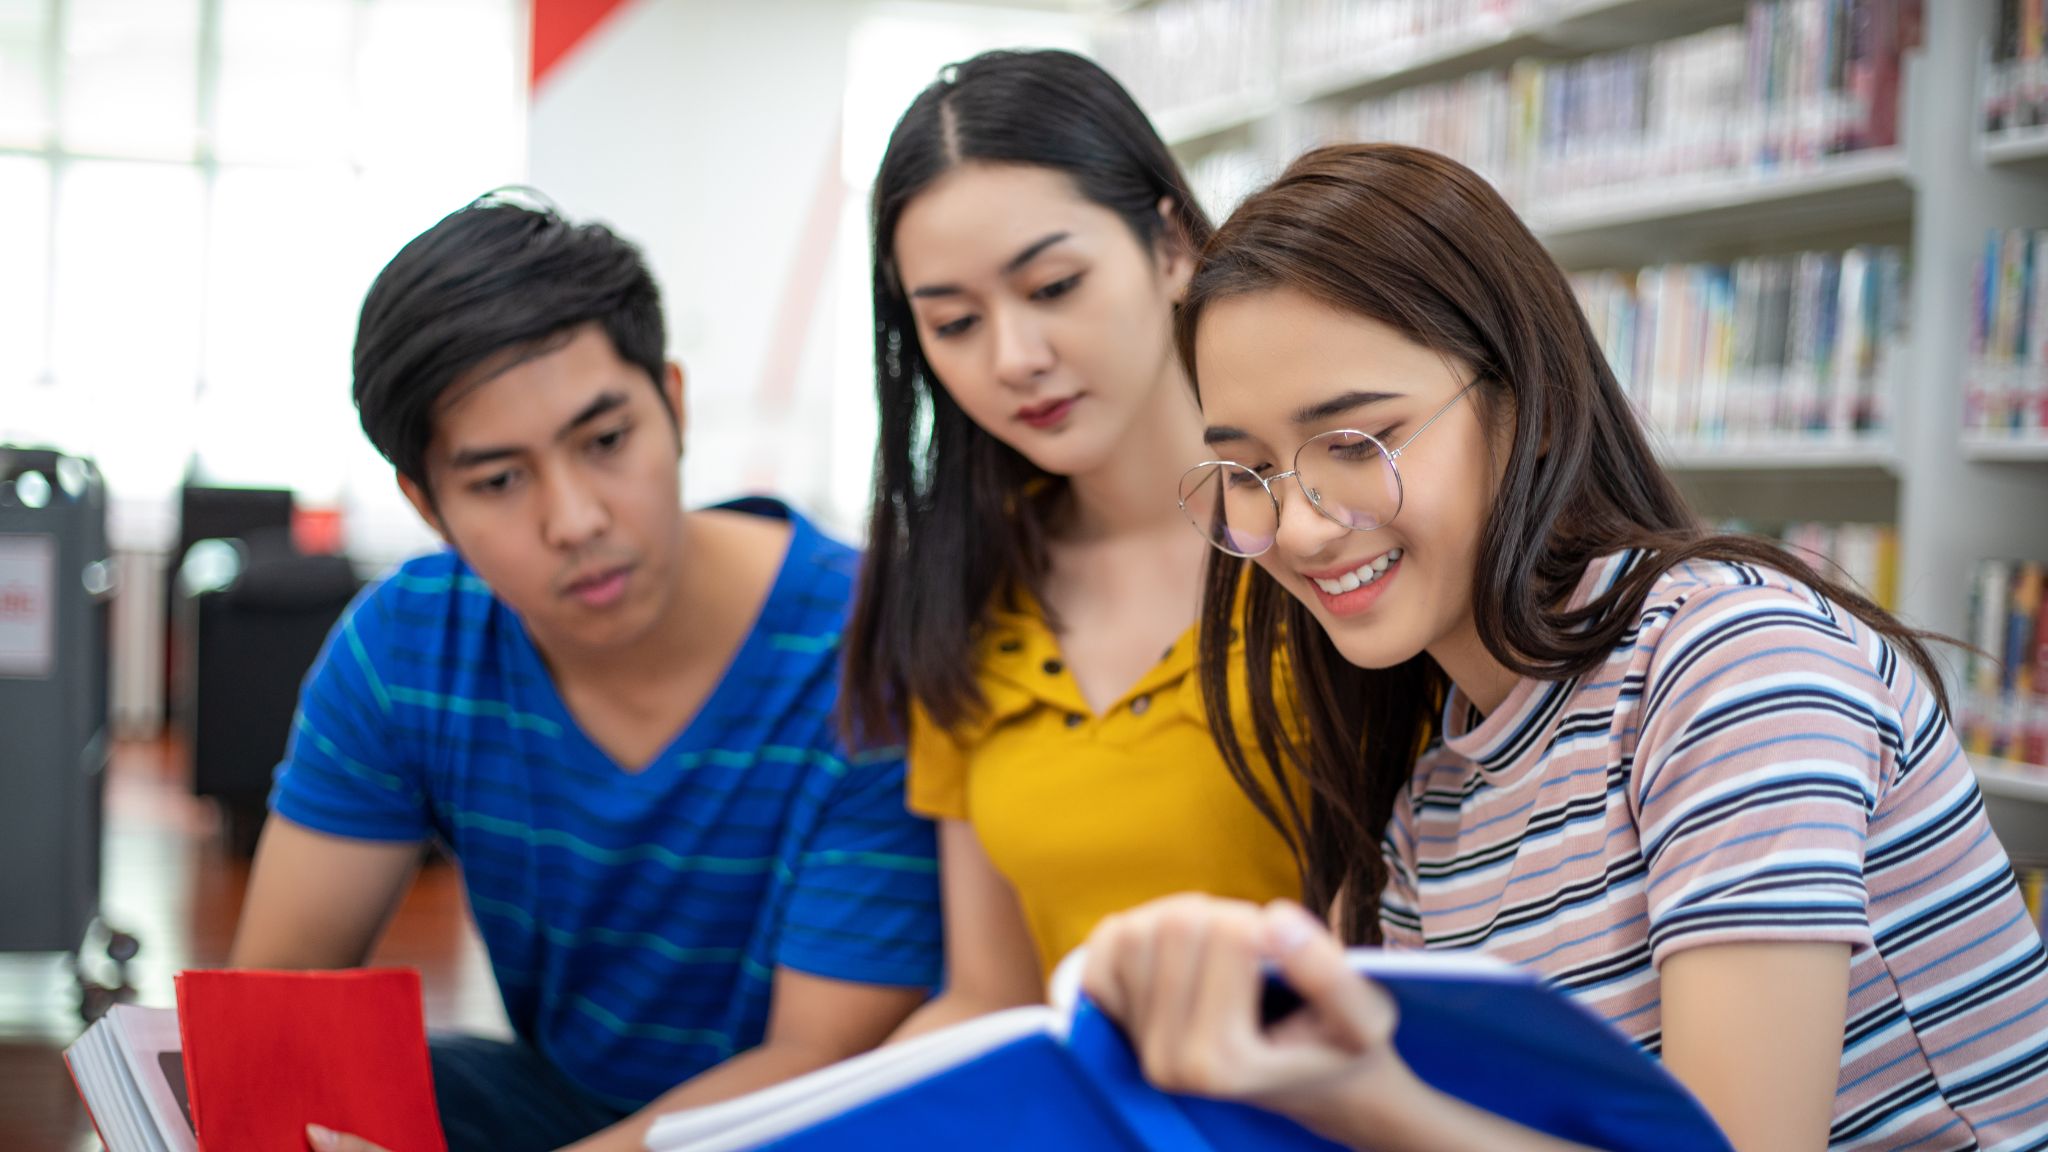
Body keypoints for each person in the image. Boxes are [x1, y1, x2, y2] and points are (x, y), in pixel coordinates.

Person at [1080, 144, 2048, 1151]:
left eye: (1354, 443)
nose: (1299, 528)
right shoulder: (1435, 800)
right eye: (1245, 470)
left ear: (1527, 406)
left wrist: (1357, 1096)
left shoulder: (1732, 665)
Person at [229, 192, 944, 1152]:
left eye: (606, 443)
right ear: (428, 504)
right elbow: (283, 994)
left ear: (676, 405)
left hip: (820, 1125)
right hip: (571, 1108)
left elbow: (816, 1064)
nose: (575, 520)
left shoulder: (871, 646)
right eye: (498, 481)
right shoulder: (408, 646)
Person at [840, 49, 1303, 1037]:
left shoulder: (1329, 544)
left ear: (1170, 247)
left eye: (1051, 286)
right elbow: (990, 993)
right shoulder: (963, 590)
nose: (1014, 358)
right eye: (954, 322)